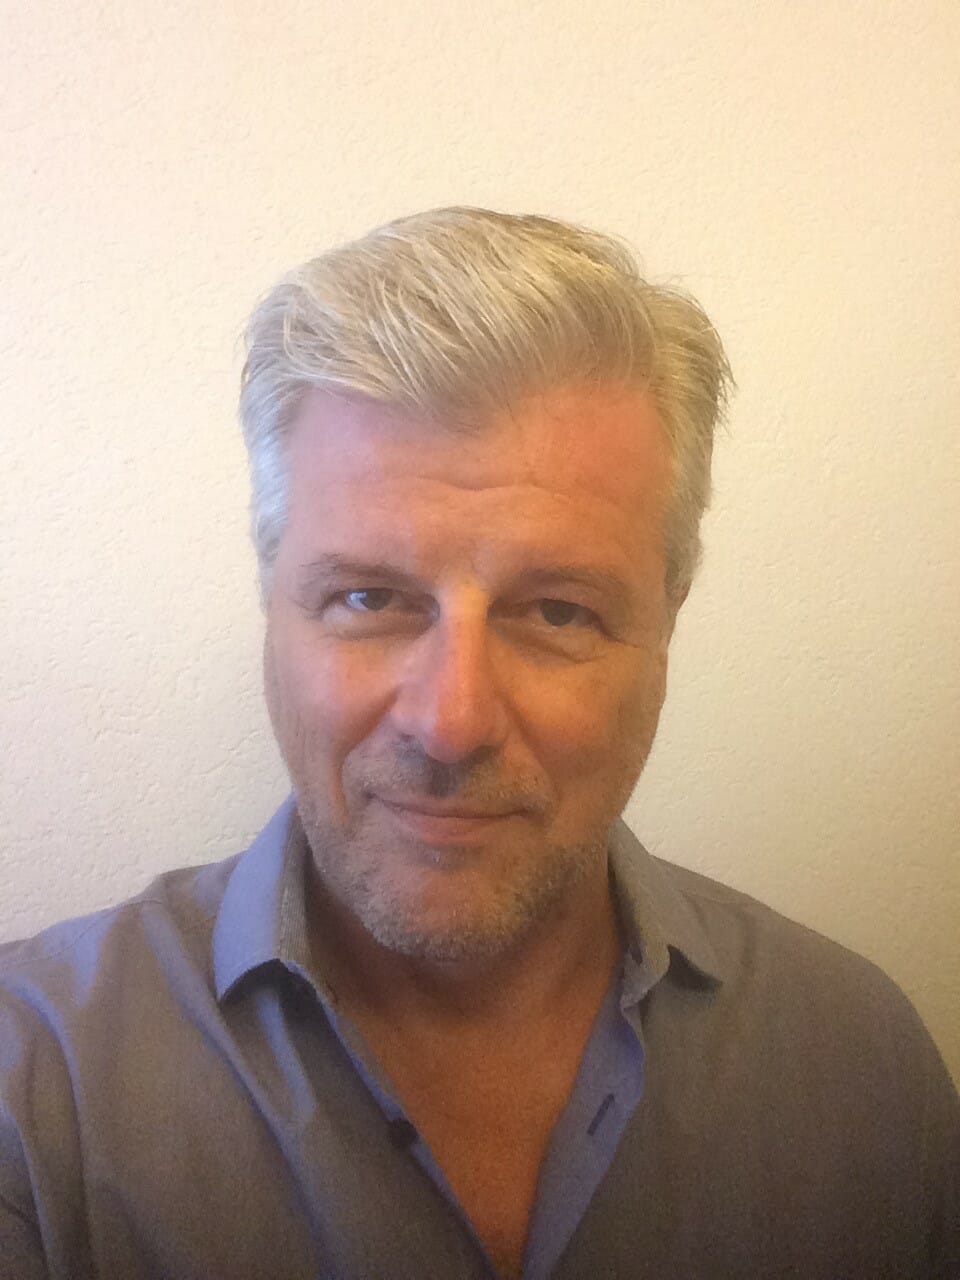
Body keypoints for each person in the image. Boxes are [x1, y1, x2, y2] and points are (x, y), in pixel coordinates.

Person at [0, 208, 956, 1280]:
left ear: (667, 623)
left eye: (557, 611)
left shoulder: (860, 1063)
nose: (450, 723)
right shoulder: (33, 1088)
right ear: (273, 606)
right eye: (369, 598)